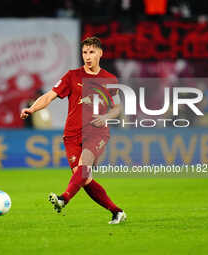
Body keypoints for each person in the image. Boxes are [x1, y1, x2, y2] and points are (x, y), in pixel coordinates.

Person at [20, 37, 126, 224]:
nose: (87, 56)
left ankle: (63, 198)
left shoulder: (110, 80)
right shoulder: (72, 76)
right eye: (84, 52)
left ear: (100, 53)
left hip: (96, 132)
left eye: (91, 52)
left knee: (84, 167)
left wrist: (105, 118)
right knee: (84, 179)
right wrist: (32, 109)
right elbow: (49, 96)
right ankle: (117, 211)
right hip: (72, 134)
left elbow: (117, 108)